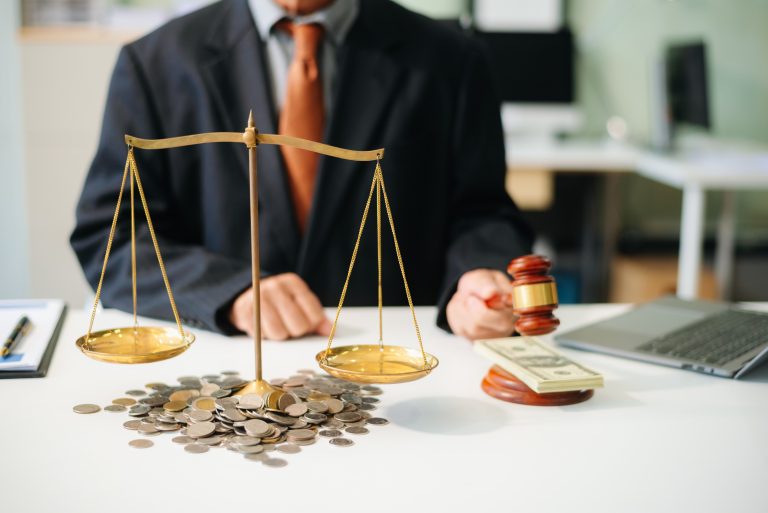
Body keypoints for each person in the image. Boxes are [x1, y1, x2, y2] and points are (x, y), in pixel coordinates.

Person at [70, 0, 534, 342]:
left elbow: (483, 211)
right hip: (224, 372)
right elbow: (110, 240)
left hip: (392, 363)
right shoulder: (156, 64)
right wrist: (231, 292)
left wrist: (477, 277)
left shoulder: (450, 60)